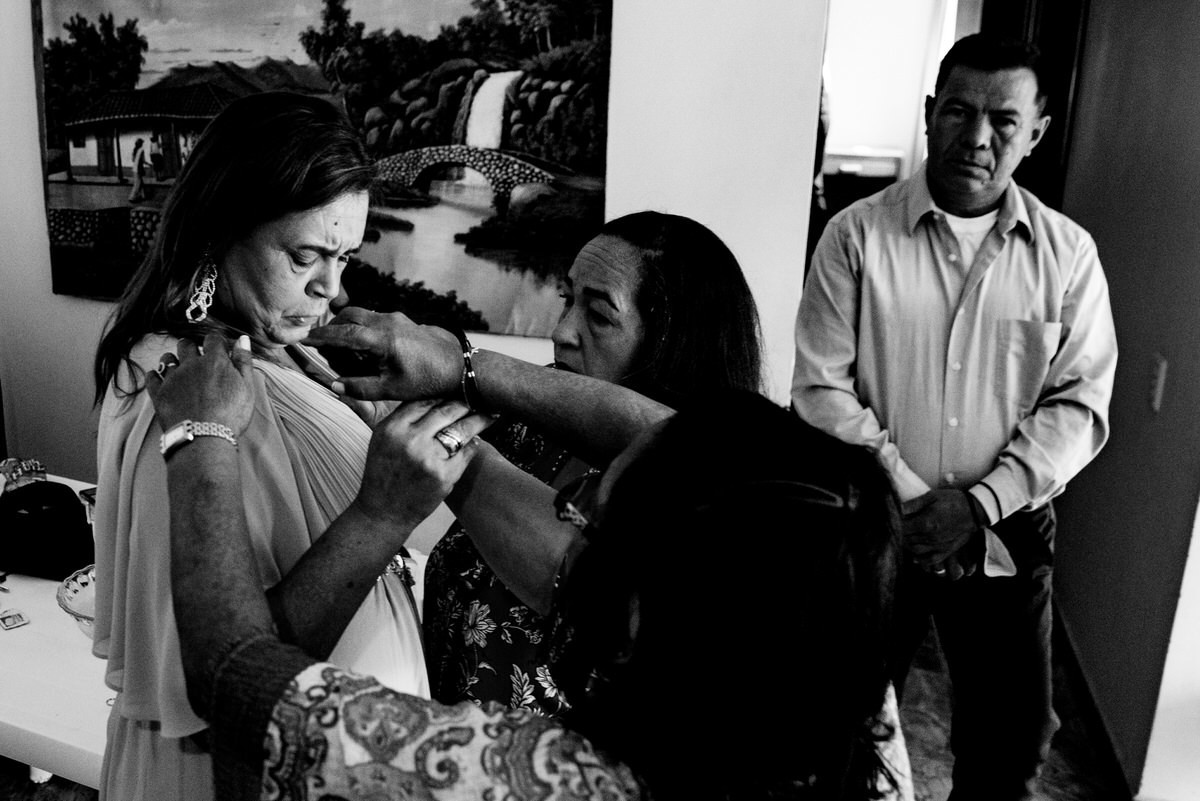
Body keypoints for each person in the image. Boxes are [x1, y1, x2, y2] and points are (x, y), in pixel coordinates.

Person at [145, 332, 904, 800]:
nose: (567, 532)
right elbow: (707, 467)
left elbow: (233, 671)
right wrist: (459, 365)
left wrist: (201, 433)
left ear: (637, 613)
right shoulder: (848, 702)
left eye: (590, 526)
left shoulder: (514, 778)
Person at [791, 33, 1118, 801]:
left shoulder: (1069, 257)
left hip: (1010, 527)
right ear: (932, 113)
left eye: (1004, 120)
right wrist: (915, 497)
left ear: (1034, 133)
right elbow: (820, 391)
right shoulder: (855, 235)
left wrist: (977, 504)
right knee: (836, 717)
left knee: (1012, 744)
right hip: (872, 515)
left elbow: (1080, 400)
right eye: (961, 112)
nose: (978, 137)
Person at [91, 92, 428, 801]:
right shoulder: (185, 393)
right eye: (306, 254)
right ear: (220, 231)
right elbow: (223, 685)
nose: (331, 288)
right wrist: (382, 514)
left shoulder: (286, 351)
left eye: (345, 256)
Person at [421, 211, 764, 715]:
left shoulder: (703, 499)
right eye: (567, 299)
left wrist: (441, 442)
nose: (561, 332)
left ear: (673, 343)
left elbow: (567, 575)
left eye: (599, 316)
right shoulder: (528, 428)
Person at [128, 137, 147, 203]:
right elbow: (143, 160)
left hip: (134, 168)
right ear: (141, 144)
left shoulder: (134, 150)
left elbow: (133, 160)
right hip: (139, 168)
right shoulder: (142, 150)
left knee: (140, 182)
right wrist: (149, 164)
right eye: (142, 143)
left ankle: (143, 196)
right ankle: (132, 197)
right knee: (137, 184)